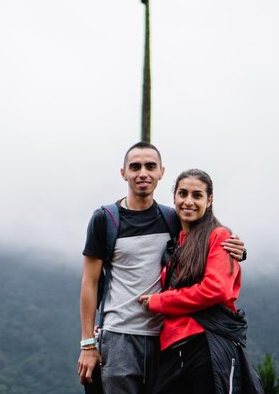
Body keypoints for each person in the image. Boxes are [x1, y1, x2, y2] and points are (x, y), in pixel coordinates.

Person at [77, 143, 246, 394]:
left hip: (165, 340)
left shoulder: (172, 218)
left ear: (161, 172)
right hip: (120, 336)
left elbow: (205, 239)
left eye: (150, 166)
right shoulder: (105, 219)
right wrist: (88, 344)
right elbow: (90, 282)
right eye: (135, 167)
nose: (142, 173)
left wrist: (238, 251)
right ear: (123, 173)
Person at [139, 169, 262, 394]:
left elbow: (216, 290)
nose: (188, 201)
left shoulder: (218, 236)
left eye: (197, 195)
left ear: (209, 200)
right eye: (183, 193)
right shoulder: (176, 241)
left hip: (205, 344)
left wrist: (161, 301)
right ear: (174, 197)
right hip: (171, 348)